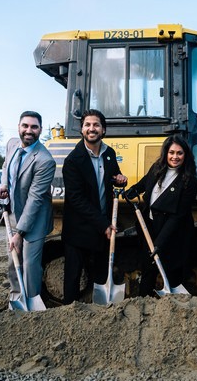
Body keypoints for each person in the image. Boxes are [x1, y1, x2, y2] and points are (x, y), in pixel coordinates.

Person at [61, 109, 128, 304]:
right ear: (82, 129)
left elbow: (114, 176)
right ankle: (70, 310)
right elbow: (76, 199)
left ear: (103, 129)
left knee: (101, 272)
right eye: (87, 125)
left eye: (96, 125)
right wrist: (103, 224)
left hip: (101, 227)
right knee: (73, 276)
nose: (92, 128)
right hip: (79, 228)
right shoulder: (73, 161)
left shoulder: (109, 154)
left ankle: (100, 312)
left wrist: (120, 180)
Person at [0, 110, 56, 309]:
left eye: (34, 127)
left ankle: (31, 301)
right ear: (19, 127)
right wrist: (4, 185)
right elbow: (5, 166)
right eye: (25, 126)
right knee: (13, 259)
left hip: (35, 217)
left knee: (29, 264)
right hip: (14, 213)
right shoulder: (12, 144)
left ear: (40, 130)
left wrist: (20, 233)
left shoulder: (45, 160)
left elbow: (35, 199)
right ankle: (16, 298)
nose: (29, 130)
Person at [126, 134, 197, 296]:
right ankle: (144, 299)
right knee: (148, 267)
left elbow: (178, 216)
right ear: (166, 153)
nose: (175, 157)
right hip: (150, 228)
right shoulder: (157, 168)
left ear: (185, 155)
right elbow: (146, 181)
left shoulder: (189, 181)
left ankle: (173, 304)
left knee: (172, 269)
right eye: (171, 152)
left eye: (179, 153)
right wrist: (134, 189)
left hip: (173, 233)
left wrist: (159, 243)